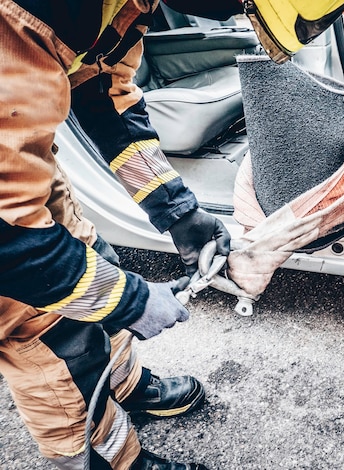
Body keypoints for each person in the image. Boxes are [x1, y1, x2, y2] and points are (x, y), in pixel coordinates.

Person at [0, 0, 243, 468]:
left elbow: (101, 90)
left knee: (91, 259)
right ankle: (112, 459)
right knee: (48, 330)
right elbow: (11, 247)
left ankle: (122, 384)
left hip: (18, 156)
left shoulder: (119, 6)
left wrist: (178, 211)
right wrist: (132, 299)